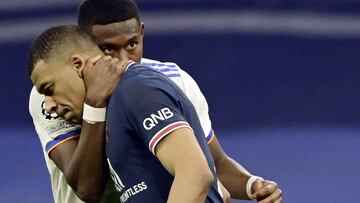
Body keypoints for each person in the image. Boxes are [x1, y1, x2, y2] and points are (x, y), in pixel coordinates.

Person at [28, 0, 281, 202]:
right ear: (84, 50)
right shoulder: (53, 94)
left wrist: (251, 185)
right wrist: (95, 103)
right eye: (107, 49)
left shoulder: (157, 83)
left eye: (132, 44)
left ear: (141, 33)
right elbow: (88, 188)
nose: (123, 58)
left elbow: (207, 166)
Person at [28, 24, 225, 202]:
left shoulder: (136, 88)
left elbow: (195, 174)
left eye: (49, 89)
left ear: (78, 65)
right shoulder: (112, 107)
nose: (49, 105)